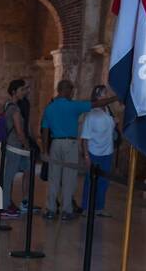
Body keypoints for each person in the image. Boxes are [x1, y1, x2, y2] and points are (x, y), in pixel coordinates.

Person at [41, 78, 115, 221]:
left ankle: (50, 209)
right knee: (69, 178)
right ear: (66, 90)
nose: (72, 93)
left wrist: (45, 150)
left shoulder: (49, 108)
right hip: (70, 144)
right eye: (71, 90)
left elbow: (45, 130)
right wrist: (115, 98)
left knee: (54, 178)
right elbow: (97, 103)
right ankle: (66, 210)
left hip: (55, 143)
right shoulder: (73, 106)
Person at [79, 84, 117, 215]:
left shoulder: (108, 111)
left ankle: (99, 207)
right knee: (90, 181)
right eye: (104, 93)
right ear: (97, 96)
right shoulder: (92, 115)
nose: (106, 96)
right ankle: (86, 207)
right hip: (94, 152)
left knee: (104, 182)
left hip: (107, 152)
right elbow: (84, 138)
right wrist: (86, 156)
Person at [0, 79, 35, 219]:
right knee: (8, 176)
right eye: (22, 90)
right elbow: (20, 132)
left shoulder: (8, 105)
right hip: (15, 146)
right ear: (14, 91)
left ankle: (12, 203)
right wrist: (27, 145)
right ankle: (4, 206)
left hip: (14, 146)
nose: (24, 92)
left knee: (26, 169)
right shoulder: (14, 108)